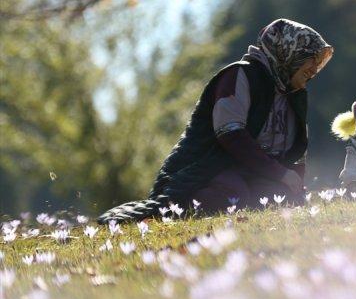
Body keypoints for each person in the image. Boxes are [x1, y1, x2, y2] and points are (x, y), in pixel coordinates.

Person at [98, 18, 333, 223]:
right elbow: (231, 135)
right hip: (207, 169)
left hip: (255, 172)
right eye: (308, 58)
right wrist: (280, 173)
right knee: (233, 194)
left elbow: (296, 149)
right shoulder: (240, 76)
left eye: (317, 61)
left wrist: (293, 185)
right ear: (287, 52)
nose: (314, 68)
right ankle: (170, 210)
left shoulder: (294, 94)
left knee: (276, 198)